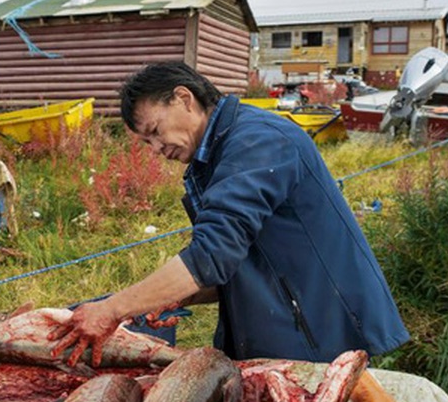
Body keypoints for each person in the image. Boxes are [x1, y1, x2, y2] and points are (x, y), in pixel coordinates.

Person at [50, 61, 409, 366]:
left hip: (321, 332)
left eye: (155, 132)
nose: (157, 148)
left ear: (184, 99)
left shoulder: (259, 141)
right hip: (279, 321)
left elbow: (212, 254)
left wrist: (112, 309)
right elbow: (237, 261)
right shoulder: (215, 155)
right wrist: (176, 295)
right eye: (147, 143)